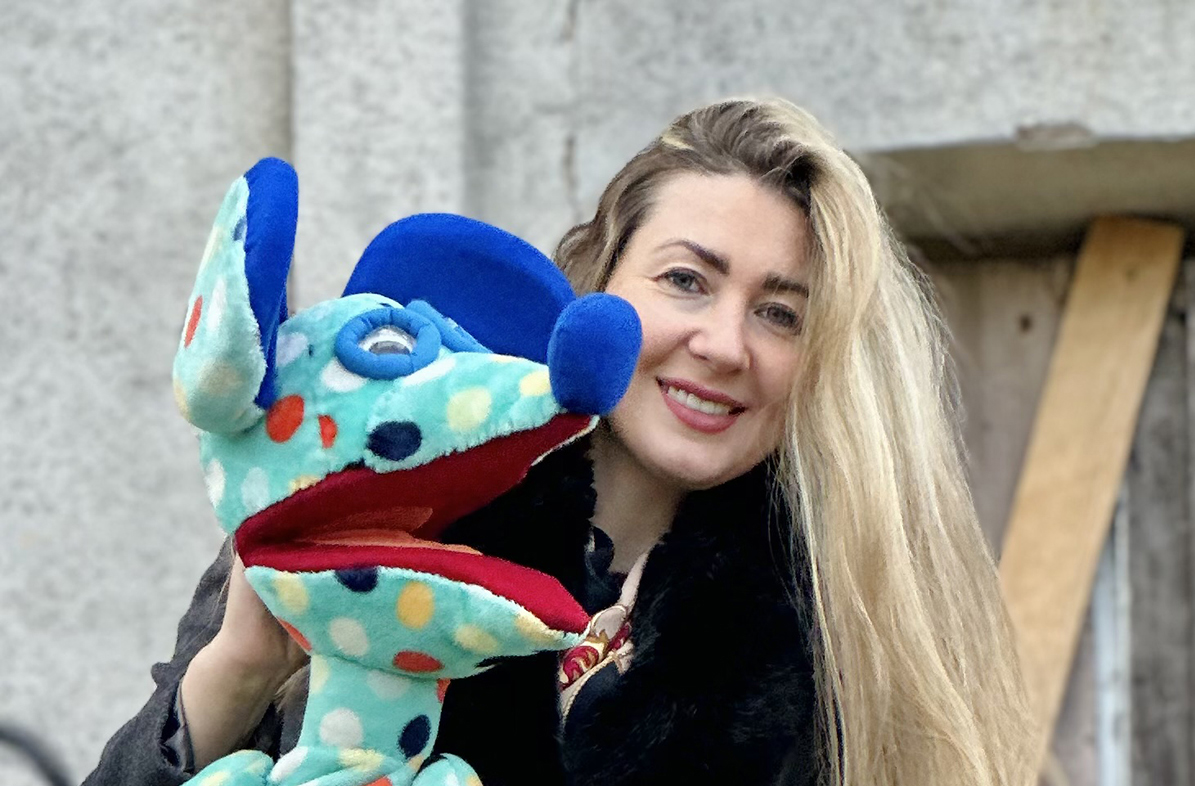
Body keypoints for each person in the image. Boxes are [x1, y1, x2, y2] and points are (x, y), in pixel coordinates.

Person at [85, 97, 1036, 786]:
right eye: (687, 281)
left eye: (781, 314)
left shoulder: (841, 616)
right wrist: (242, 666)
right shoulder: (388, 493)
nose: (724, 344)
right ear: (597, 283)